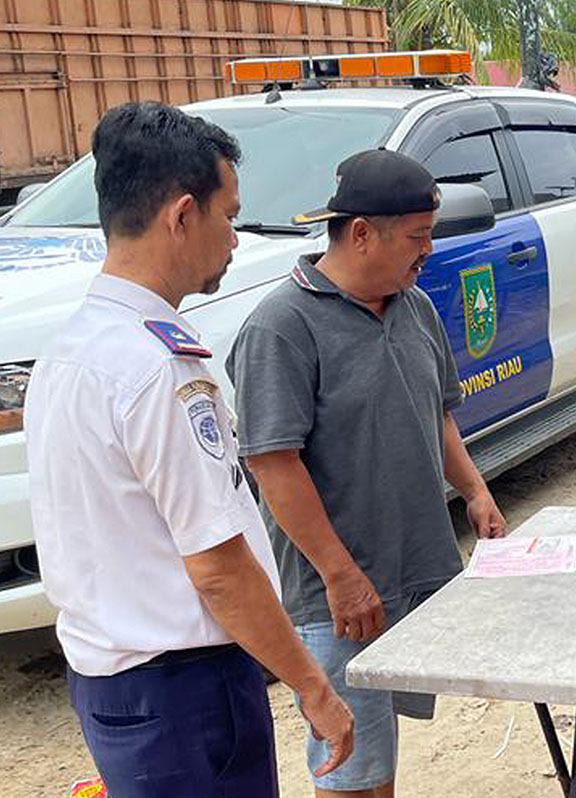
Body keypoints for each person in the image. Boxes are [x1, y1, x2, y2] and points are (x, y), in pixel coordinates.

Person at [23, 101, 354, 796]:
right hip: (185, 693)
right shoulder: (160, 369)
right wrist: (312, 684)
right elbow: (219, 569)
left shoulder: (69, 351)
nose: (234, 237)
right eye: (228, 215)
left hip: (108, 683)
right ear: (181, 216)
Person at [227, 149, 507, 798]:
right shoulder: (282, 327)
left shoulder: (413, 308)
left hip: (407, 564)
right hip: (337, 592)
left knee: (380, 747)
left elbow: (435, 410)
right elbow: (274, 465)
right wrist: (342, 575)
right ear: (360, 234)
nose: (428, 251)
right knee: (354, 764)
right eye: (418, 237)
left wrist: (474, 489)